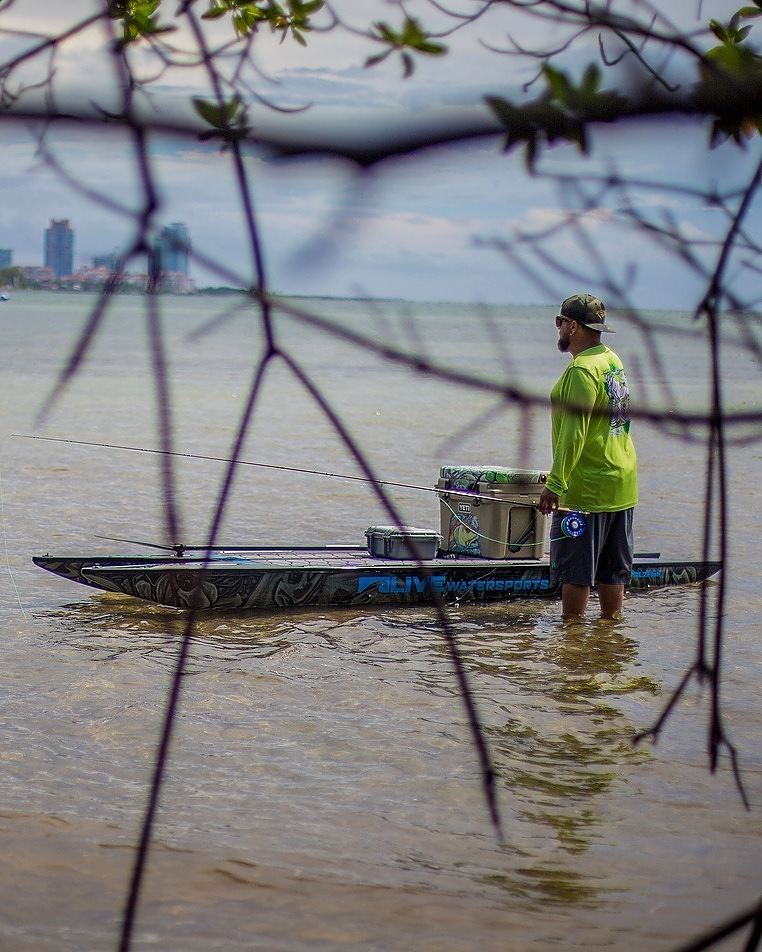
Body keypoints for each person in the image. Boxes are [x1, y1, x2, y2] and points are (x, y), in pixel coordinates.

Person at [538, 293, 638, 620]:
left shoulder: (581, 370)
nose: (557, 328)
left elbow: (574, 432)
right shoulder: (611, 360)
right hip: (621, 483)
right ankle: (608, 645)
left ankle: (573, 649)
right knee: (612, 572)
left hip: (586, 491)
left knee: (575, 573)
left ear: (575, 326)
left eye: (560, 322)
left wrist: (555, 484)